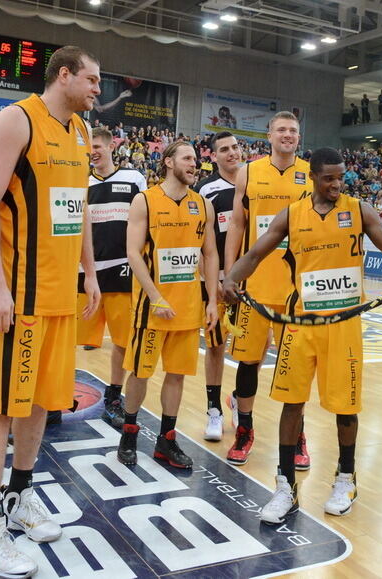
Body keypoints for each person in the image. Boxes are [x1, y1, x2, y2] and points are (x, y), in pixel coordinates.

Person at [222, 147, 382, 523]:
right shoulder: (292, 214)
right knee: (292, 403)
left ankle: (346, 478)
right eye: (330, 178)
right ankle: (285, 486)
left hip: (344, 325)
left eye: (341, 177)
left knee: (346, 408)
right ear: (313, 178)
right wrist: (231, 277)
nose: (337, 184)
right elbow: (254, 253)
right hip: (300, 324)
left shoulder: (359, 210)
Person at [0, 45, 101, 577]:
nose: (96, 89)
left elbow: (78, 207)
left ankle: (19, 498)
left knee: (42, 402)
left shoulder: (82, 133)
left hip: (60, 297)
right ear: (63, 75)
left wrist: (88, 271)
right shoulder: (18, 120)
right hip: (15, 298)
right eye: (90, 79)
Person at [117, 141, 219, 467]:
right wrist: (154, 296)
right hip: (152, 308)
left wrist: (212, 299)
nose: (195, 164)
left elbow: (210, 254)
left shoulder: (203, 205)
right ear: (168, 161)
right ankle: (129, 433)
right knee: (139, 374)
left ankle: (166, 441)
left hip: (188, 308)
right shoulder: (144, 200)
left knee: (176, 376)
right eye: (188, 159)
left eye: (197, 160)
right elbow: (133, 253)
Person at [223, 111, 312, 468]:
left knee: (296, 368)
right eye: (281, 130)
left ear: (298, 137)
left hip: (296, 290)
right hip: (255, 287)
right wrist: (230, 273)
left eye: (293, 130)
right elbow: (236, 225)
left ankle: (298, 434)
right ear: (269, 135)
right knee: (248, 363)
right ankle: (245, 429)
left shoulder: (311, 174)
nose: (287, 135)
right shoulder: (249, 172)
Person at [82, 126, 147, 428]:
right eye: (89, 147)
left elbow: (145, 224)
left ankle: (113, 396)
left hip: (122, 270)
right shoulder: (81, 182)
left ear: (111, 147)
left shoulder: (134, 179)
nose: (93, 151)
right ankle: (55, 399)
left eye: (97, 146)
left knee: (122, 341)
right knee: (69, 338)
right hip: (86, 273)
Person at [193, 131, 242, 441]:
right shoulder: (205, 191)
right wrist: (213, 284)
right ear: (213, 156)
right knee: (215, 346)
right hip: (216, 281)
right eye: (224, 149)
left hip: (252, 281)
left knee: (257, 347)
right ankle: (214, 410)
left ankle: (237, 398)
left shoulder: (256, 183)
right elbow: (200, 244)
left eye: (235, 147)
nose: (232, 153)